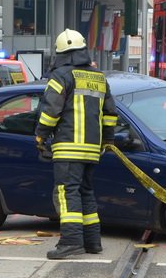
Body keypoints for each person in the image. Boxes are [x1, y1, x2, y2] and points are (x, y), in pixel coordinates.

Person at [35, 29, 118, 260]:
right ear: (83, 49)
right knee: (86, 191)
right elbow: (110, 114)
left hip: (68, 147)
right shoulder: (99, 77)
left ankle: (71, 242)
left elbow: (50, 111)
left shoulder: (60, 76)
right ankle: (93, 242)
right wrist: (108, 139)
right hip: (93, 148)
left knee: (66, 192)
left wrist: (41, 136)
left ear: (60, 53)